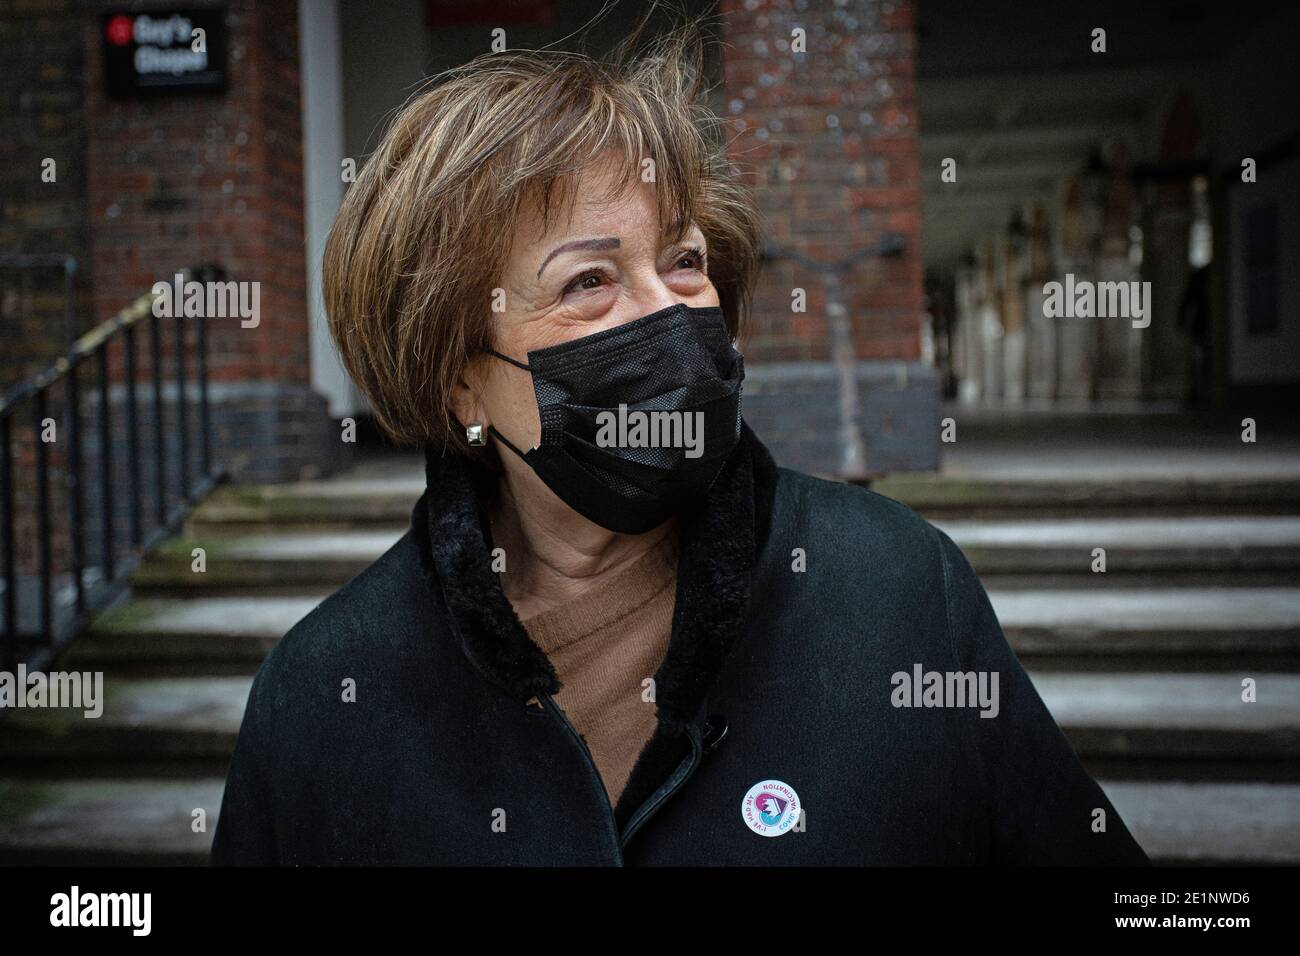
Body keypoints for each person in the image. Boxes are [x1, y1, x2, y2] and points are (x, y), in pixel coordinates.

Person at [209, 18, 1149, 866]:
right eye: (589, 281)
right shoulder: (328, 694)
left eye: (684, 261)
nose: (669, 311)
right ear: (460, 376)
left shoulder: (895, 591)